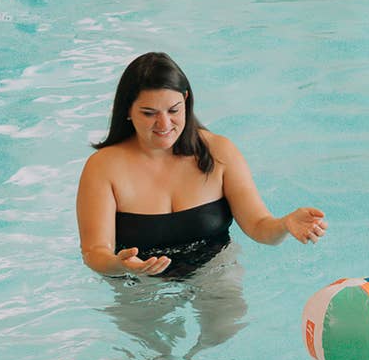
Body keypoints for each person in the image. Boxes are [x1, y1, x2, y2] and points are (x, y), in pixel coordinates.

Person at [76, 52, 328, 280]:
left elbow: (259, 225)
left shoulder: (219, 152)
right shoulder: (104, 167)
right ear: (128, 111)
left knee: (223, 329)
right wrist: (121, 266)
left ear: (186, 99)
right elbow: (95, 251)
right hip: (138, 278)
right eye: (149, 113)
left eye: (173, 109)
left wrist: (284, 225)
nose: (164, 124)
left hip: (213, 266)